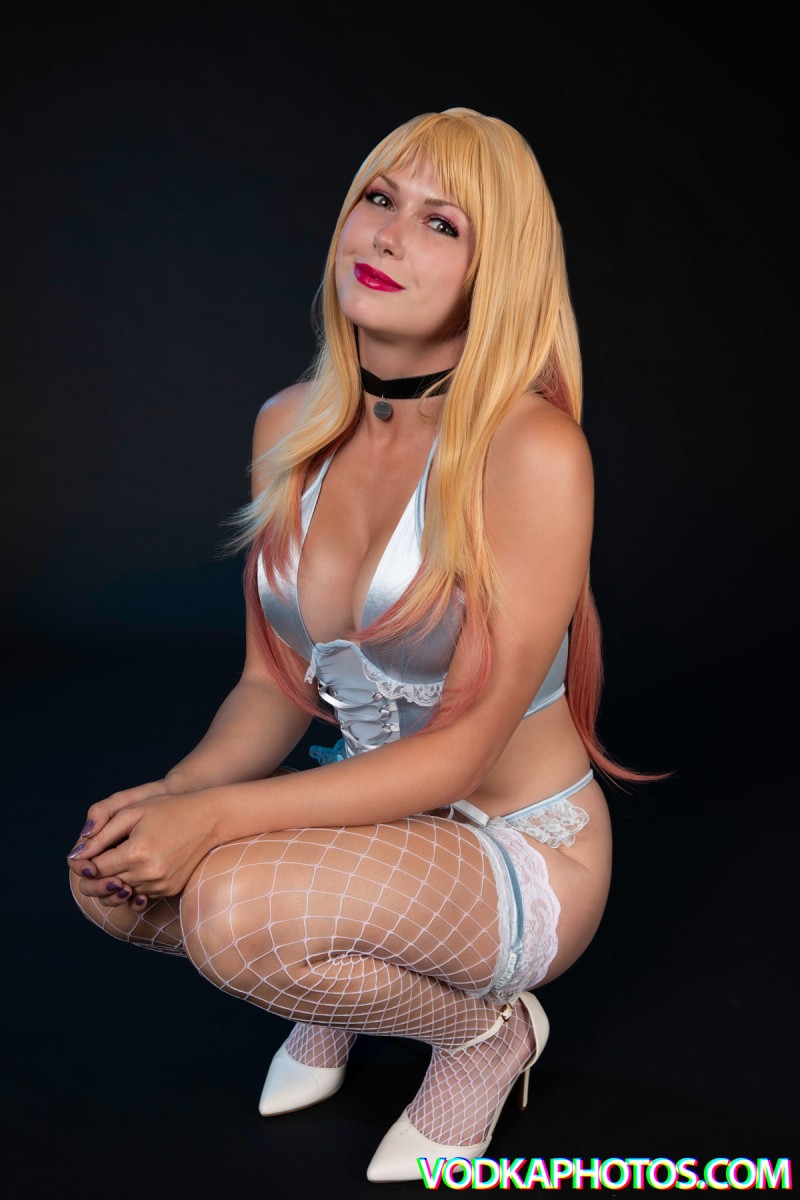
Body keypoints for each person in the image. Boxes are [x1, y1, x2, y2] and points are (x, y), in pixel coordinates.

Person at [67, 107, 654, 1183]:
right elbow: (271, 682)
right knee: (109, 878)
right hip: (368, 814)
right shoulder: (287, 426)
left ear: (494, 274)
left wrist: (215, 819)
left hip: (514, 847)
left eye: (441, 224)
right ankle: (330, 968)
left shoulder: (531, 451)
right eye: (379, 200)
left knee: (231, 917)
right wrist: (175, 794)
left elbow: (461, 754)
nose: (386, 235)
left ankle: (484, 1037)